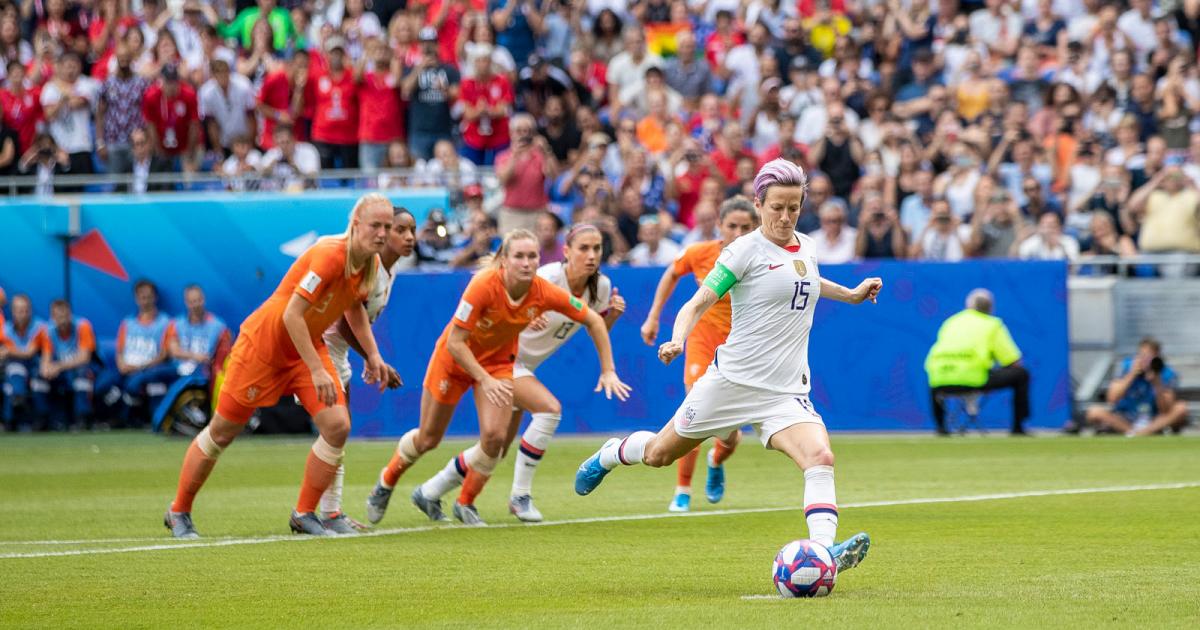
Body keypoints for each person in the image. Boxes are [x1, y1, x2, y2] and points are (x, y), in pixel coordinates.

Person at [575, 160, 879, 576]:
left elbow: (807, 281)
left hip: (786, 391)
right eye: (777, 207)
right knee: (660, 454)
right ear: (759, 204)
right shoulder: (743, 251)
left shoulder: (805, 246)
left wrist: (852, 294)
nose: (786, 216)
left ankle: (824, 553)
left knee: (820, 456)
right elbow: (697, 301)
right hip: (731, 382)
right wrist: (678, 338)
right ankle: (613, 453)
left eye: (794, 207)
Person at [364, 229, 631, 527]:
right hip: (455, 361)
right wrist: (485, 379)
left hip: (501, 364)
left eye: (532, 256)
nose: (527, 263)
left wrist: (608, 368)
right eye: (519, 256)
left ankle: (457, 499)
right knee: (428, 438)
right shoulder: (485, 285)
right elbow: (455, 341)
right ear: (504, 259)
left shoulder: (549, 290)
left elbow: (593, 320)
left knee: (495, 441)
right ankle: (387, 482)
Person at [165, 194, 395, 539]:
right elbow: (292, 314)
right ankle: (178, 511)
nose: (382, 233)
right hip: (264, 347)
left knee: (336, 425)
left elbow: (353, 310)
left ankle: (304, 514)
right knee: (222, 432)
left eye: (387, 227)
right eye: (375, 225)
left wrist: (373, 355)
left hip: (305, 346)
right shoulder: (330, 254)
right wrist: (317, 369)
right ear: (356, 223)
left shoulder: (371, 265)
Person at [444, 224, 628, 524]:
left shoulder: (602, 287)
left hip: (524, 366)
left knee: (497, 446)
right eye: (584, 248)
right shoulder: (545, 277)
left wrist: (612, 319)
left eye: (597, 248)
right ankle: (520, 496)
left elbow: (594, 328)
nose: (592, 255)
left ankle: (438, 492)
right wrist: (526, 317)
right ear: (566, 252)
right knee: (549, 411)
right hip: (502, 360)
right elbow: (509, 303)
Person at [640, 197, 758, 512]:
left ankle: (716, 459)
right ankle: (682, 490)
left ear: (756, 227)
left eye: (746, 227)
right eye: (732, 225)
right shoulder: (700, 253)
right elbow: (671, 273)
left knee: (730, 436)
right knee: (693, 413)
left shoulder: (763, 259)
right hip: (703, 343)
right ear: (719, 226)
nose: (738, 232)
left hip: (740, 349)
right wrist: (653, 317)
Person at [315, 207, 417, 534]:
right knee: (336, 430)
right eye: (400, 230)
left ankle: (329, 512)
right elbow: (345, 321)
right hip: (318, 350)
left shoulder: (388, 272)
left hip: (336, 355)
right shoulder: (368, 267)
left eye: (411, 230)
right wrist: (374, 359)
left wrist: (370, 358)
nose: (409, 237)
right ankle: (320, 512)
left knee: (337, 433)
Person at [925, 289, 1031, 436]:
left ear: (968, 305)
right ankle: (1018, 428)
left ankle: (941, 428)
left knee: (935, 378)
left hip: (940, 379)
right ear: (991, 308)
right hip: (974, 378)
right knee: (1021, 374)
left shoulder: (951, 322)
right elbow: (1013, 361)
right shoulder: (992, 325)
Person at [96, 280, 177, 427]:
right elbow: (120, 351)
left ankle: (134, 419)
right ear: (136, 299)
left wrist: (141, 367)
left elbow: (165, 354)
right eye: (142, 297)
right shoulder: (128, 323)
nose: (145, 300)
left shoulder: (166, 323)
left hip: (149, 368)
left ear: (155, 297)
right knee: (102, 385)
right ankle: (110, 418)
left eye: (148, 296)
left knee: (133, 384)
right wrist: (121, 365)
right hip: (126, 367)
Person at [1078, 337, 1190, 437]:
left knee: (1181, 408)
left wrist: (1157, 383)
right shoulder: (1127, 367)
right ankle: (1134, 432)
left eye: (1150, 357)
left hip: (1153, 420)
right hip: (1126, 419)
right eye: (1143, 356)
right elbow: (1112, 399)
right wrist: (1131, 375)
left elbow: (1165, 409)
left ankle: (1143, 433)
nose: (1146, 361)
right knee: (1094, 411)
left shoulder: (1166, 373)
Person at [38, 299, 97, 430]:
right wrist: (45, 369)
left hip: (84, 369)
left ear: (70, 314)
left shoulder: (83, 325)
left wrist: (58, 366)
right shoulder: (47, 330)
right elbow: (46, 357)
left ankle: (82, 418)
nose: (62, 321)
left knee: (82, 375)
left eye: (65, 316)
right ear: (52, 318)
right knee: (40, 377)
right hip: (62, 372)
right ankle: (43, 419)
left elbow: (84, 358)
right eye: (58, 317)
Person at [2, 294, 48, 430]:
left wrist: (9, 351)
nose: (23, 314)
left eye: (26, 310)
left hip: (36, 368)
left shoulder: (40, 327)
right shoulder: (6, 329)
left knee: (37, 383)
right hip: (14, 372)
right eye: (19, 310)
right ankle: (10, 420)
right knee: (13, 373)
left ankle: (40, 421)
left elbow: (29, 353)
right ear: (13, 311)